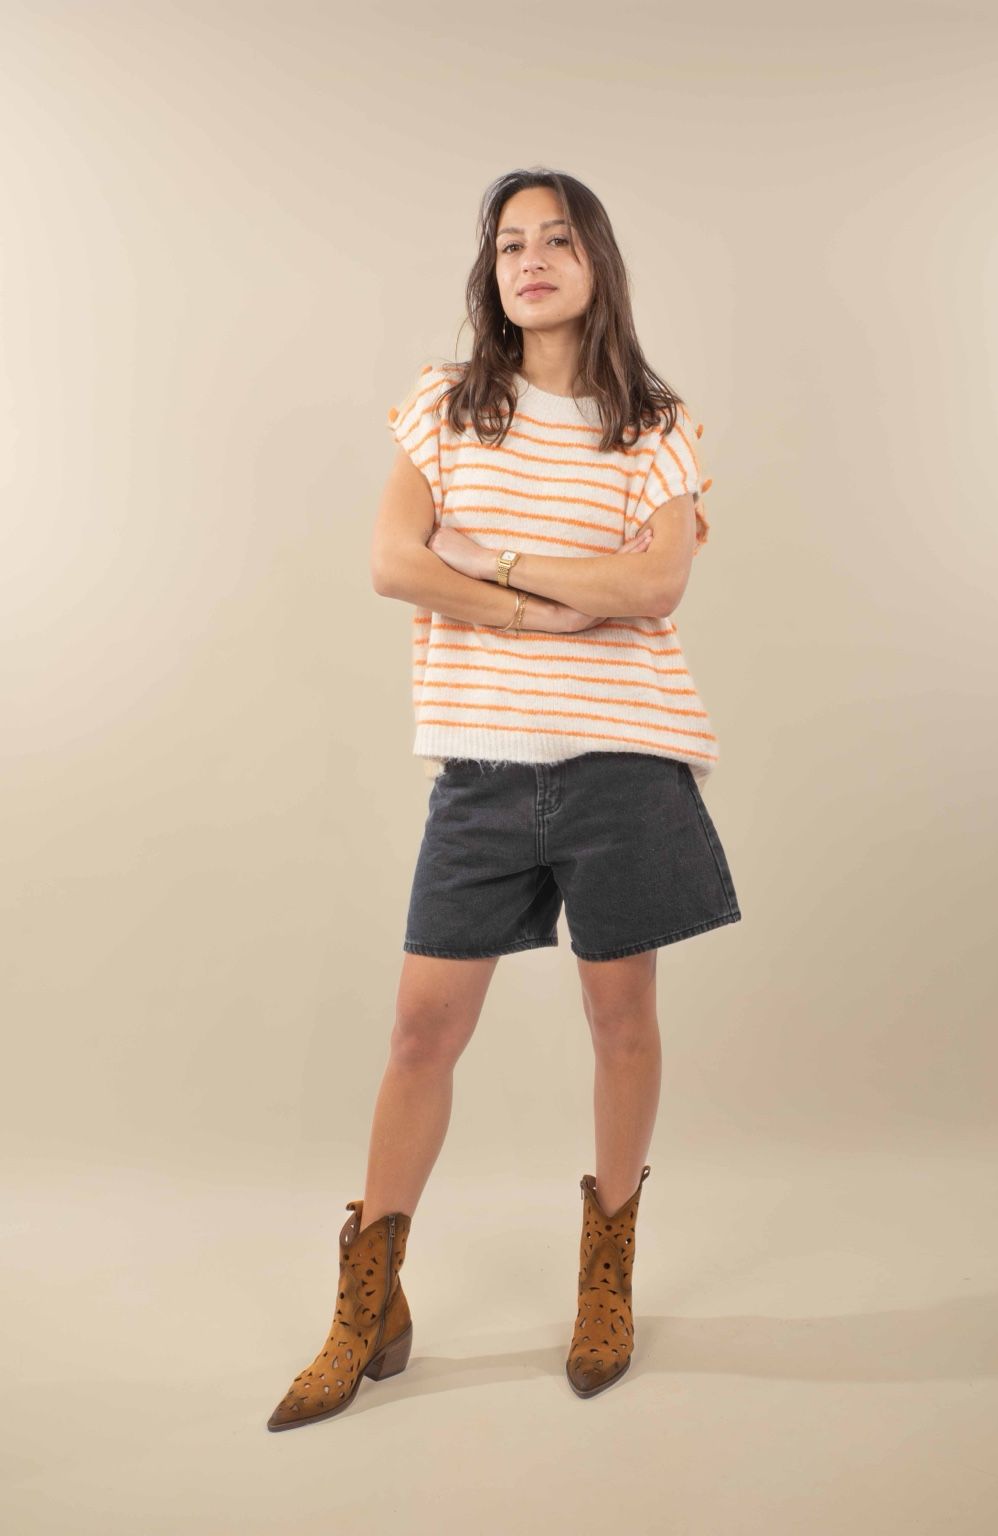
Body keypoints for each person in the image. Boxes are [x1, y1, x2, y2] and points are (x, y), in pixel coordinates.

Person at [266, 167, 741, 1430]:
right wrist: (547, 608)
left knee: (620, 1021)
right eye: (509, 242)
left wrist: (492, 558)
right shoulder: (445, 405)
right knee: (420, 1034)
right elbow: (392, 562)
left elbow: (655, 590)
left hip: (623, 763)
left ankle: (606, 1279)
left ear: (597, 262)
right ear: (491, 270)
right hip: (479, 769)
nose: (529, 259)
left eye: (557, 239)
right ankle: (368, 1301)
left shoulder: (654, 425)